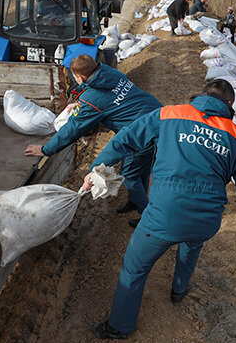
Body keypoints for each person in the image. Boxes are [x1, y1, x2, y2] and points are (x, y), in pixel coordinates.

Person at [83, 79, 236, 339]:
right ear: (229, 105)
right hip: (206, 220)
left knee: (134, 268)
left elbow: (126, 139)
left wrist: (97, 168)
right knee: (192, 244)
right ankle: (179, 290)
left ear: (203, 95)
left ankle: (119, 326)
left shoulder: (168, 114)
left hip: (164, 216)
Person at [25, 54, 162, 224]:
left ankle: (147, 216)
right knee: (141, 167)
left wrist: (46, 149)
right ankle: (135, 201)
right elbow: (109, 99)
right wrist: (84, 104)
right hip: (157, 117)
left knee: (130, 174)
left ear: (80, 77)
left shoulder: (92, 99)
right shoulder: (111, 73)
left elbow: (73, 128)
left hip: (140, 134)